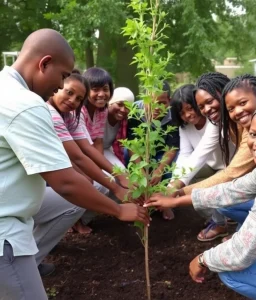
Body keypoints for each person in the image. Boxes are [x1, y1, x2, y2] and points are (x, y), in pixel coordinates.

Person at [0, 29, 149, 300]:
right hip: (4, 226)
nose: (60, 87)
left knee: (70, 202)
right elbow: (66, 181)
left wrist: (116, 182)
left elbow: (84, 152)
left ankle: (30, 259)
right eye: (61, 77)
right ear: (44, 63)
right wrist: (118, 209)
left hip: (10, 201)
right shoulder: (27, 104)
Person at [146, 99, 256, 299]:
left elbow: (241, 252)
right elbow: (233, 190)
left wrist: (202, 259)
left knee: (231, 271)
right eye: (253, 134)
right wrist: (175, 200)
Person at [175, 74, 256, 241]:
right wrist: (174, 184)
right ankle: (246, 228)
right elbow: (199, 154)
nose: (206, 110)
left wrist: (179, 193)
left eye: (210, 101)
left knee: (224, 199)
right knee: (224, 198)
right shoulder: (225, 120)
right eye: (201, 106)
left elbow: (232, 174)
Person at [47, 74, 134, 233]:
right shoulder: (51, 113)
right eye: (69, 92)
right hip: (46, 170)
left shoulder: (71, 115)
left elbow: (87, 148)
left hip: (56, 163)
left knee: (94, 184)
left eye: (79, 98)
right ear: (57, 87)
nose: (73, 100)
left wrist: (119, 176)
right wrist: (116, 187)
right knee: (85, 188)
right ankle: (61, 224)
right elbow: (77, 156)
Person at [127, 81, 180, 220]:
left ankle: (164, 203)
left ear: (169, 101)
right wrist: (141, 169)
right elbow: (132, 145)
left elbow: (172, 148)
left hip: (161, 152)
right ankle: (140, 203)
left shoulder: (172, 115)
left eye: (162, 102)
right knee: (130, 161)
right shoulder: (135, 112)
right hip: (140, 151)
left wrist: (159, 170)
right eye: (151, 102)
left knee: (169, 168)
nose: (156, 107)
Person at [82, 67, 129, 188]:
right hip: (78, 153)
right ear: (85, 90)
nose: (101, 94)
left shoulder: (101, 111)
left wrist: (101, 168)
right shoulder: (80, 111)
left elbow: (98, 142)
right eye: (95, 89)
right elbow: (84, 148)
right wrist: (98, 172)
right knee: (100, 183)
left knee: (122, 174)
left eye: (105, 89)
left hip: (95, 151)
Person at [103, 87, 135, 167]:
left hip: (106, 149)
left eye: (127, 107)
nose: (123, 110)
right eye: (119, 104)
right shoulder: (100, 116)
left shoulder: (125, 122)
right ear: (110, 102)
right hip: (91, 150)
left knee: (122, 172)